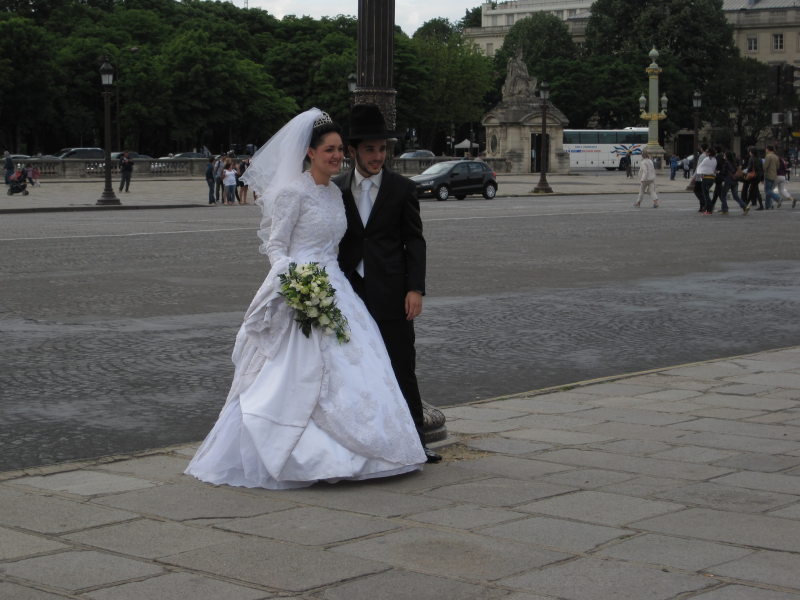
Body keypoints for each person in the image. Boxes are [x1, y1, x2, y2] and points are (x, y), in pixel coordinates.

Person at [184, 108, 426, 489]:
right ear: (310, 152)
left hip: (338, 287)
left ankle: (374, 450)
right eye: (329, 150)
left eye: (338, 151)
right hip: (301, 285)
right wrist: (296, 282)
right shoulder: (291, 193)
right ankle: (301, 454)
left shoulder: (334, 192)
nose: (336, 157)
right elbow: (276, 246)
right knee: (296, 371)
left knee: (360, 365)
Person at [334, 104, 441, 464]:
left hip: (393, 292)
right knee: (353, 368)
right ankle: (363, 442)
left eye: (382, 149)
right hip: (349, 291)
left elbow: (415, 241)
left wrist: (416, 288)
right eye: (370, 149)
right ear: (352, 151)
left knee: (401, 366)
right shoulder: (335, 190)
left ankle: (416, 441)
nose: (378, 156)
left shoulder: (402, 189)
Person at [696, 147, 717, 215]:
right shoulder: (714, 159)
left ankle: (709, 209)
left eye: (707, 152)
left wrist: (700, 174)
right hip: (712, 178)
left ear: (710, 153)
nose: (706, 153)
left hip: (705, 178)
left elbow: (700, 167)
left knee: (706, 195)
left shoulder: (706, 159)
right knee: (707, 194)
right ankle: (709, 208)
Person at [763, 145, 781, 210]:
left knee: (767, 190)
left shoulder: (768, 156)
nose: (765, 150)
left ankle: (777, 197)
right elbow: (778, 167)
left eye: (766, 149)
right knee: (769, 190)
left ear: (768, 149)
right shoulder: (776, 156)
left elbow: (765, 166)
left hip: (768, 175)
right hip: (774, 175)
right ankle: (768, 205)